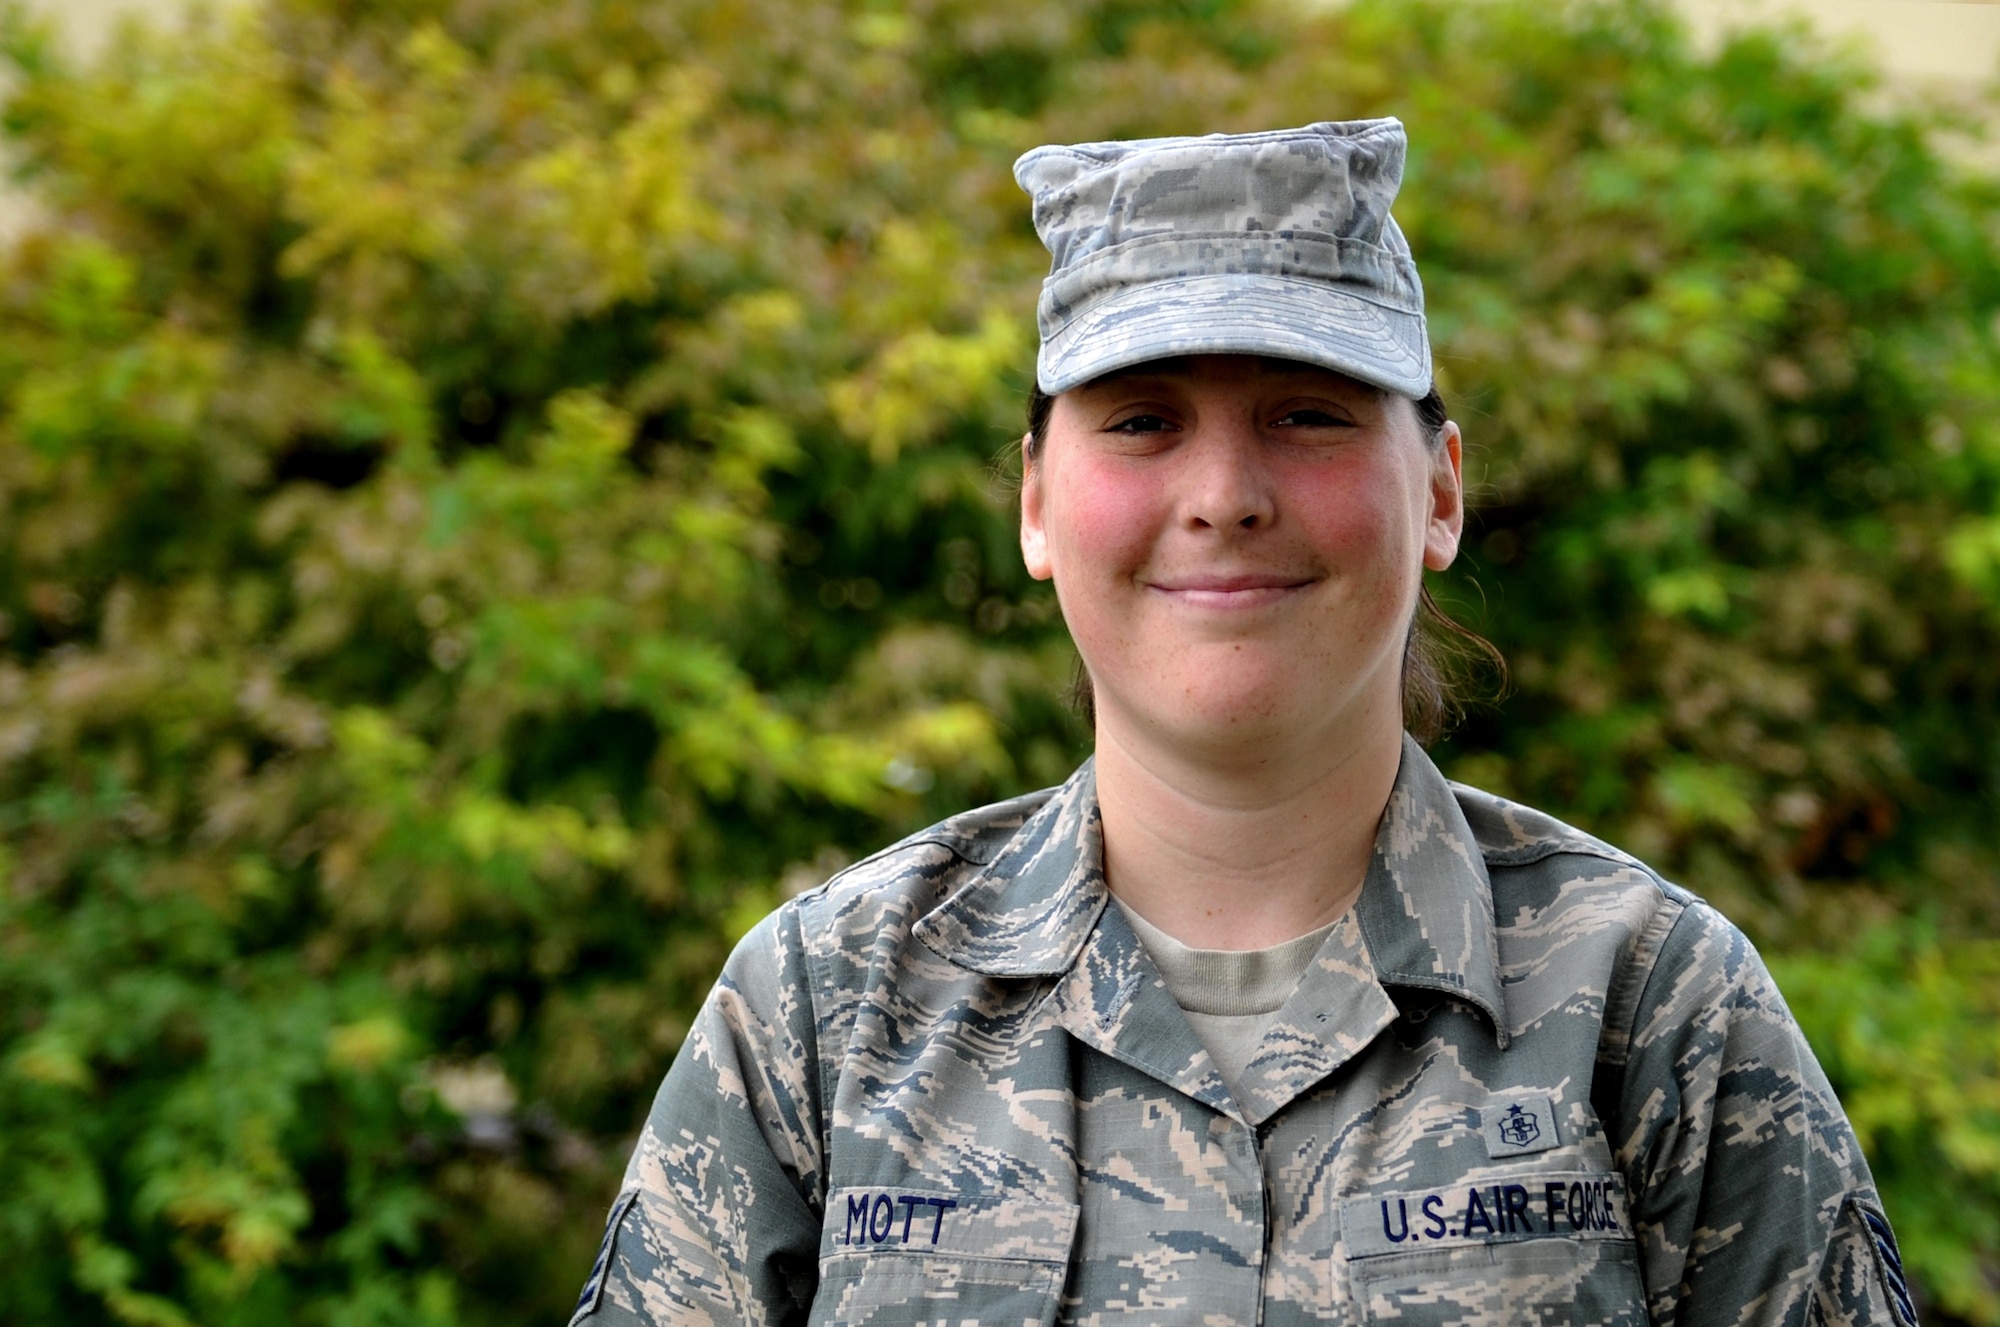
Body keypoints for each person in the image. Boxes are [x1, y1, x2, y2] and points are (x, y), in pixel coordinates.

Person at [567, 121, 1917, 1327]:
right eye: (1143, 421)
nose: (1224, 494)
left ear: (1440, 492)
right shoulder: (829, 1007)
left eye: (1309, 415)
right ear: (1035, 504)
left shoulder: (1651, 1001)